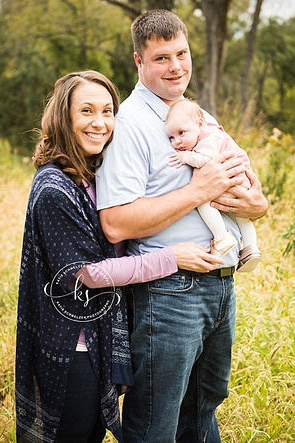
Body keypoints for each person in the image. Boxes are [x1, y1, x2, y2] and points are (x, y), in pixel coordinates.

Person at [14, 71, 224, 443]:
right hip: (73, 343)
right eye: (87, 111)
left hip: (102, 334)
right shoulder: (53, 189)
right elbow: (86, 274)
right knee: (74, 433)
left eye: (108, 111)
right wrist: (171, 257)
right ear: (64, 118)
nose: (100, 122)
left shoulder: (92, 177)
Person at [96, 10, 269, 441]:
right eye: (161, 58)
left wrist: (256, 205)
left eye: (182, 53)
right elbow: (116, 223)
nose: (176, 66)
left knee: (203, 407)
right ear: (138, 62)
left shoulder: (198, 114)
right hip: (171, 291)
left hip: (222, 283)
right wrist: (198, 191)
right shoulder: (130, 124)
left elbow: (247, 187)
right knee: (157, 421)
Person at [165, 98, 262, 270]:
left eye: (181, 133)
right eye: (171, 137)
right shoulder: (213, 133)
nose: (177, 142)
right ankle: (251, 248)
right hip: (241, 182)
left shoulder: (207, 139)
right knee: (243, 217)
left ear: (200, 124)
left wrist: (186, 157)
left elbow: (207, 161)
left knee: (203, 201)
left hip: (232, 181)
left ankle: (221, 237)